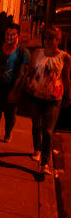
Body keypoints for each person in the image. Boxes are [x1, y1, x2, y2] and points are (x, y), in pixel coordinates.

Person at [26, 26, 70, 175]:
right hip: (36, 96)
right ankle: (37, 149)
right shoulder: (37, 53)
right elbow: (31, 72)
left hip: (54, 98)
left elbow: (66, 77)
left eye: (53, 39)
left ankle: (45, 162)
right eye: (46, 38)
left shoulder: (65, 57)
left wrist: (68, 96)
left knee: (48, 131)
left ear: (58, 40)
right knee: (36, 125)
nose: (49, 41)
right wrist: (27, 85)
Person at [0, 23, 30, 157]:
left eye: (12, 34)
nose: (9, 37)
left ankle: (8, 131)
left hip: (13, 89)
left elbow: (22, 74)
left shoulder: (23, 53)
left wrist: (14, 92)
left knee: (10, 117)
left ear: (18, 36)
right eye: (7, 34)